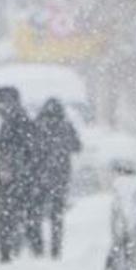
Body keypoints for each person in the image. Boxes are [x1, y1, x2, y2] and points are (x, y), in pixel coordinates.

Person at [0, 86, 41, 262]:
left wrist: (6, 168)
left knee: (8, 215)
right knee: (28, 214)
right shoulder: (23, 118)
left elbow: (8, 148)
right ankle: (33, 248)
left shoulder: (12, 120)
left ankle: (8, 252)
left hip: (13, 178)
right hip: (25, 176)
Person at [33, 98, 81, 259]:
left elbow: (30, 150)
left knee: (36, 214)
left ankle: (38, 247)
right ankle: (55, 249)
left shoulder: (37, 126)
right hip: (60, 177)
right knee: (56, 216)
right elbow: (77, 146)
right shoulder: (66, 127)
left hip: (39, 177)